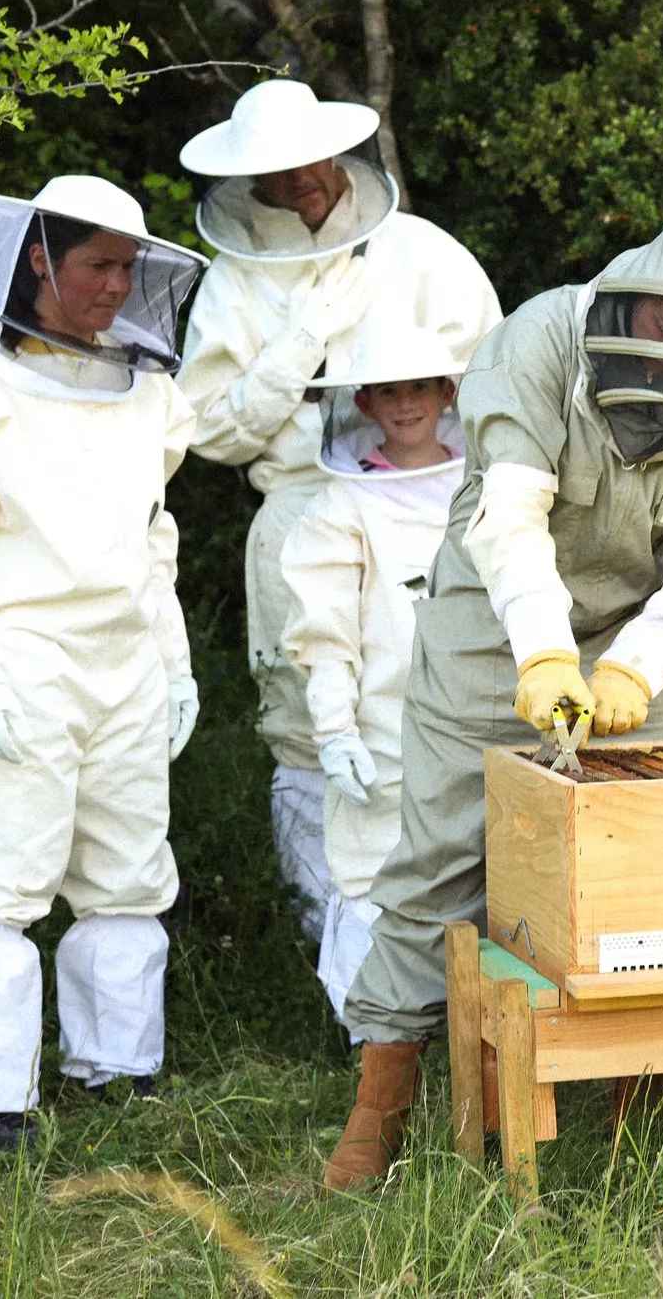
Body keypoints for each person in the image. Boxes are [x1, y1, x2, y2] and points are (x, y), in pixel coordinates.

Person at [321, 188, 663, 1191]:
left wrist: (633, 667)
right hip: (492, 625)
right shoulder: (540, 339)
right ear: (640, 293)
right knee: (442, 862)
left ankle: (634, 1125)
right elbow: (507, 517)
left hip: (638, 641)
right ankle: (378, 1113)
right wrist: (544, 656)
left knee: (649, 867)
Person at [0, 176, 207, 1150]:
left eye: (127, 266)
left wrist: (174, 657)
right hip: (17, 653)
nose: (116, 285)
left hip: (125, 660)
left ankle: (116, 1069)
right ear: (37, 259)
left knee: (126, 871)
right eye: (96, 263)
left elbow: (153, 537)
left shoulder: (147, 386)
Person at [175, 79, 501, 939]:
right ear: (250, 182)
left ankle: (455, 950)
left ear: (334, 151)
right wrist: (297, 348)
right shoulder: (235, 278)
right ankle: (338, 959)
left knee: (454, 710)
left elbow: (495, 388)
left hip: (433, 506)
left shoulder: (423, 253)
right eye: (275, 174)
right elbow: (207, 429)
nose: (296, 184)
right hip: (302, 513)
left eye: (305, 164)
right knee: (309, 724)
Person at [278, 323, 479, 1026]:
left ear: (447, 392)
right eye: (388, 390)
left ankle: (456, 1032)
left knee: (470, 875)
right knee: (371, 875)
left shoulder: (482, 488)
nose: (405, 404)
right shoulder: (342, 506)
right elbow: (325, 633)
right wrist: (333, 730)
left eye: (419, 387)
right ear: (363, 403)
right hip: (382, 725)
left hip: (476, 722)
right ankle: (369, 1038)